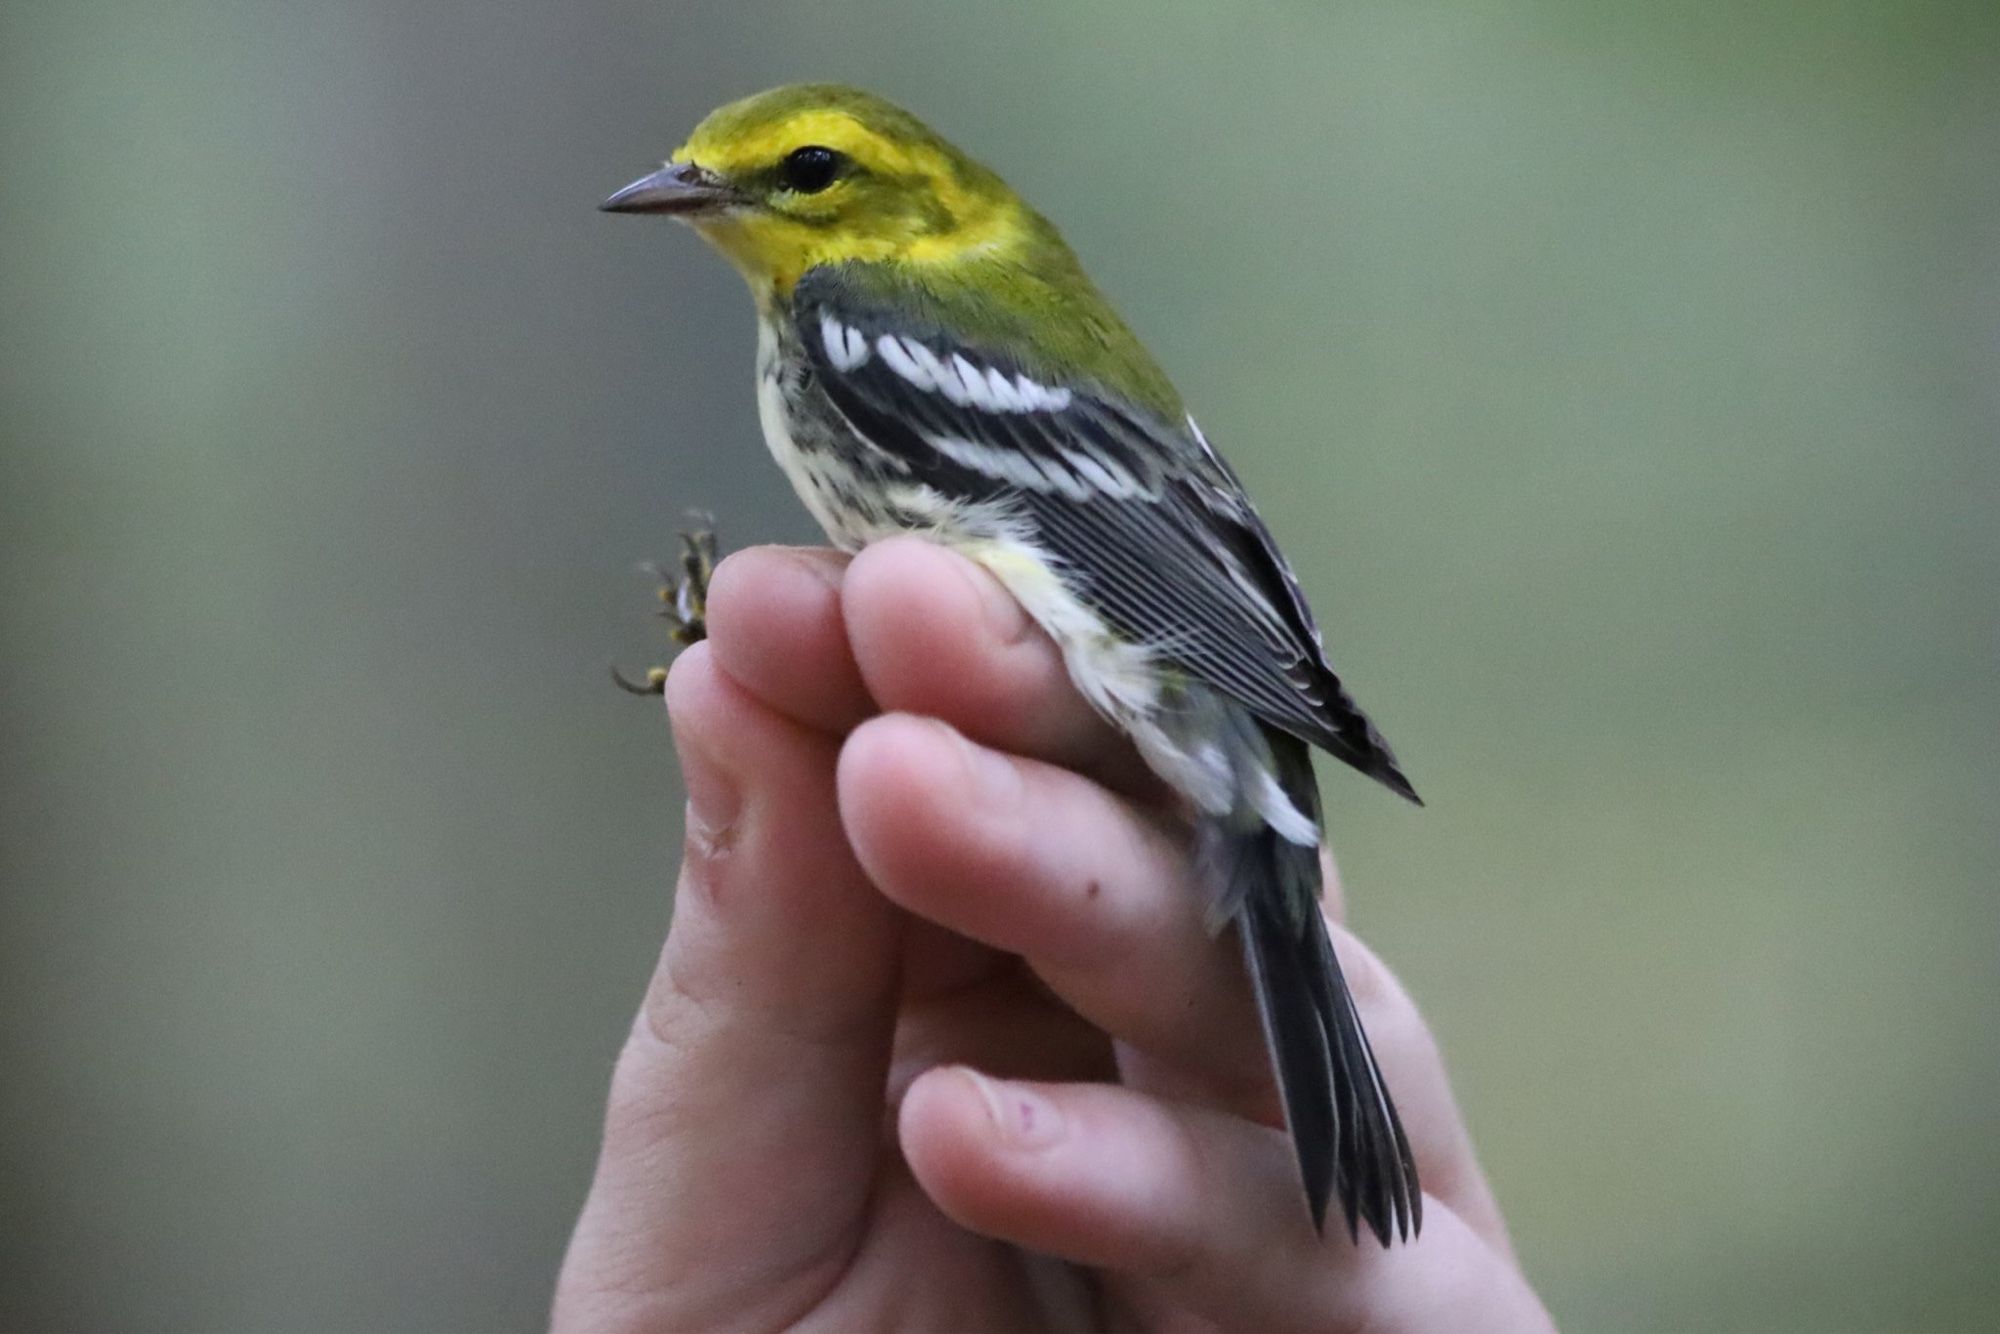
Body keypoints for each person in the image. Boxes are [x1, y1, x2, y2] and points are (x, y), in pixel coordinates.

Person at [552, 539, 1553, 1332]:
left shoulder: (849, 329)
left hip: (1169, 650)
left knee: (914, 659)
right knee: (907, 671)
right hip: (1186, 640)